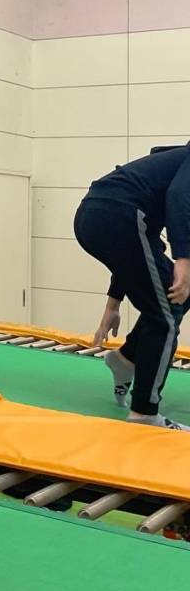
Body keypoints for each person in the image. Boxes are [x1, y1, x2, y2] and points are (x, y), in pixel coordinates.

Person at [74, 144, 190, 430]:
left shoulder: (165, 168)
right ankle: (144, 414)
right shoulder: (181, 168)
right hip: (117, 215)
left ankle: (126, 360)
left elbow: (134, 253)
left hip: (99, 216)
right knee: (164, 317)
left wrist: (113, 304)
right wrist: (183, 258)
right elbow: (179, 196)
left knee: (175, 297)